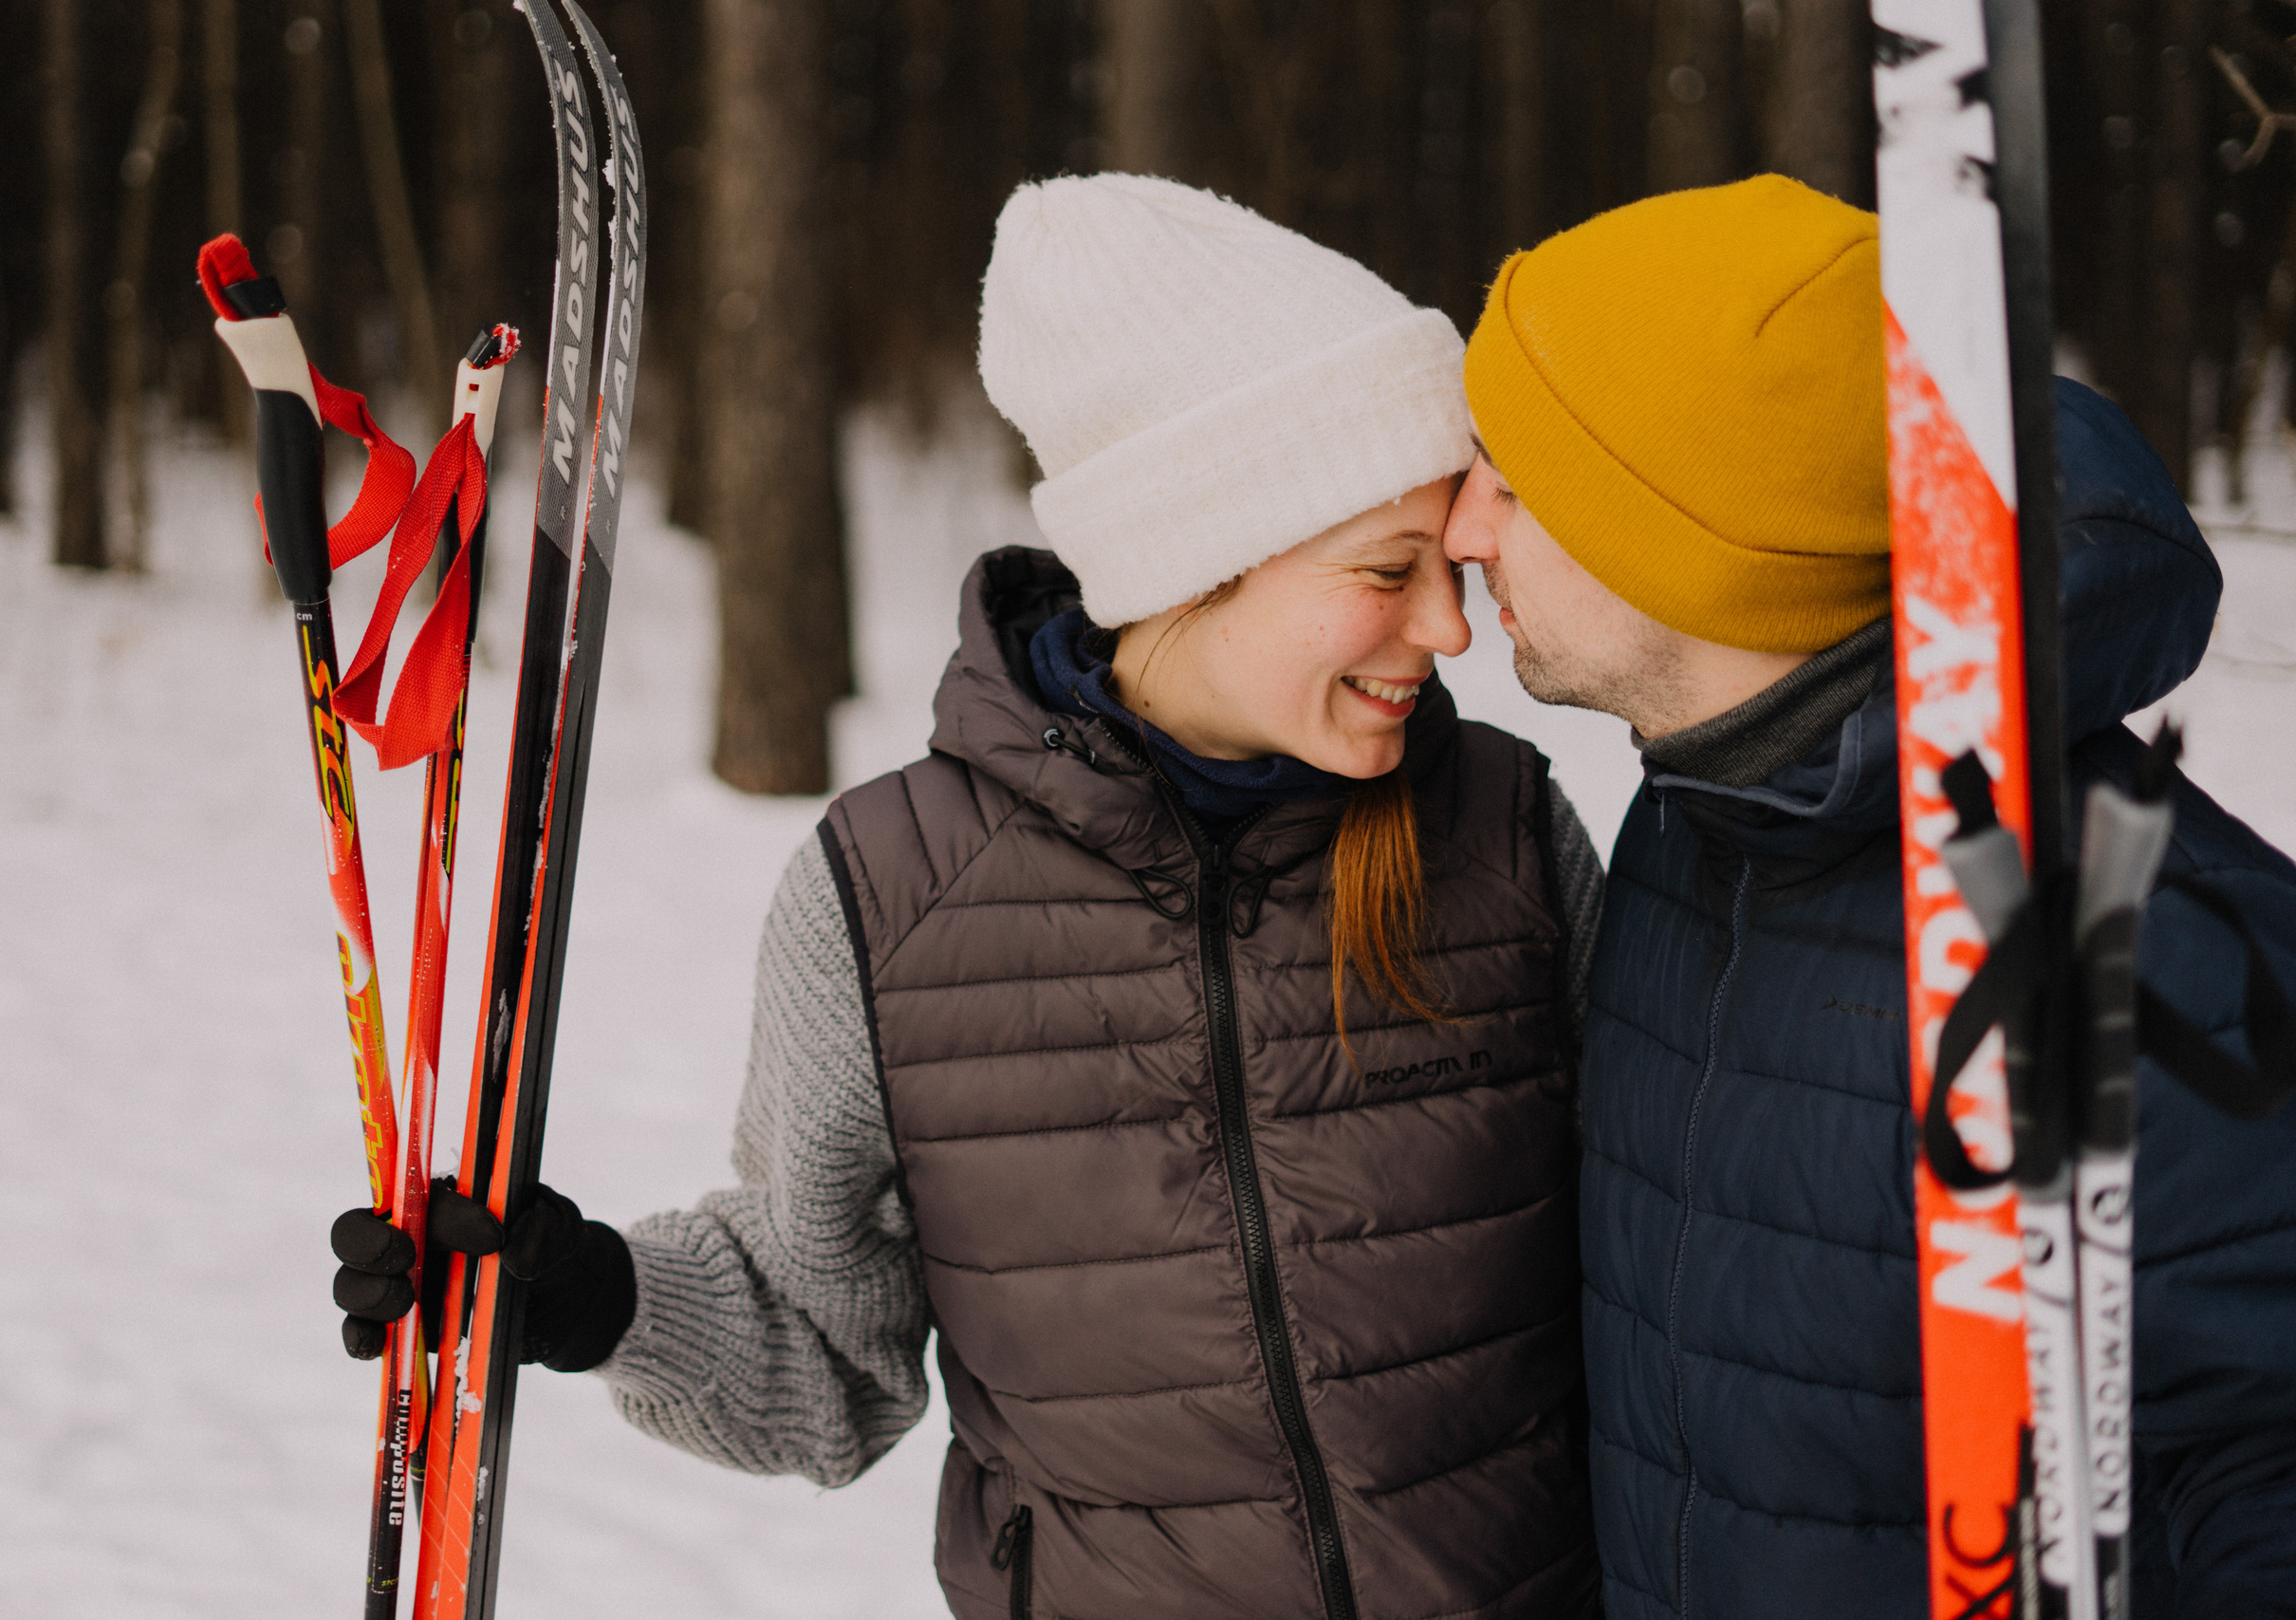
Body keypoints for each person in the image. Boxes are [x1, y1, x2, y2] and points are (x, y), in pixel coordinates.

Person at [334, 175, 1608, 1619]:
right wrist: (586, 1294)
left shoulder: (1503, 833)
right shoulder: (891, 899)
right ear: (1200, 562)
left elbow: (1672, 1280)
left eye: (1451, 563)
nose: (1449, 627)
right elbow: (829, 1356)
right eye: (1389, 570)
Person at [1443, 174, 2296, 1619]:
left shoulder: (2151, 958)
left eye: (1518, 482)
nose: (1465, 530)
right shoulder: (1697, 825)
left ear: (1703, 539)